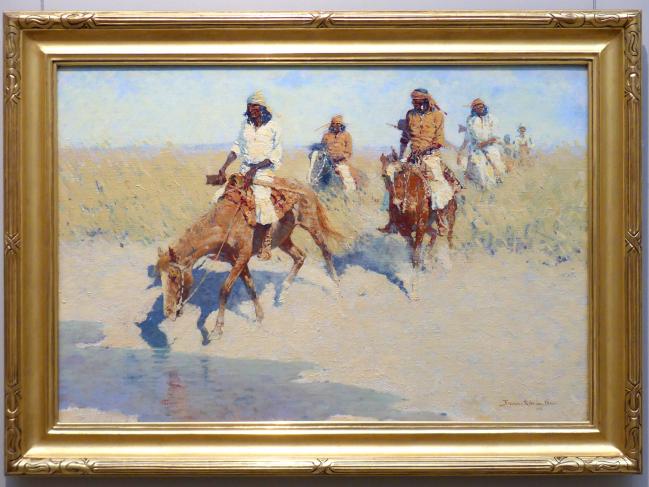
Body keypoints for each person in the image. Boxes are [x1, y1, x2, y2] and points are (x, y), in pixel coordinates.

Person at [206, 91, 282, 261]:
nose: (251, 109)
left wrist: (255, 169)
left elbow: (276, 154)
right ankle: (223, 243)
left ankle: (265, 244)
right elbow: (237, 147)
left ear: (263, 108)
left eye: (255, 106)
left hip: (263, 171)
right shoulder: (245, 126)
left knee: (261, 202)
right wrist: (224, 166)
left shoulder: (274, 127)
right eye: (249, 106)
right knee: (221, 196)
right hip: (244, 169)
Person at [379, 88, 457, 234]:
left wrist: (424, 150)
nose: (414, 104)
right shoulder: (410, 114)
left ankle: (440, 218)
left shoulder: (437, 115)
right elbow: (405, 137)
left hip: (431, 157)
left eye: (417, 101)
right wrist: (401, 156)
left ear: (426, 101)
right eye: (413, 101)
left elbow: (439, 140)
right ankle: (392, 220)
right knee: (390, 173)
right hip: (412, 156)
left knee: (437, 184)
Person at [457, 98, 505, 189]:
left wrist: (485, 143)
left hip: (490, 147)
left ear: (484, 106)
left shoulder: (491, 118)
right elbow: (468, 137)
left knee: (495, 168)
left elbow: (495, 136)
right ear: (473, 108)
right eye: (476, 106)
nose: (479, 107)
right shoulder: (471, 120)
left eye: (481, 105)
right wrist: (460, 152)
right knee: (478, 170)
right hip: (475, 149)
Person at [320, 115, 355, 192]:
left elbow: (348, 151)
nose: (336, 126)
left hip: (341, 162)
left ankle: (350, 192)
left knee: (346, 177)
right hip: (327, 162)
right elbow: (322, 148)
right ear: (331, 125)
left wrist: (339, 158)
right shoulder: (326, 136)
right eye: (334, 124)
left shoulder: (346, 135)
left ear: (341, 125)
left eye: (338, 124)